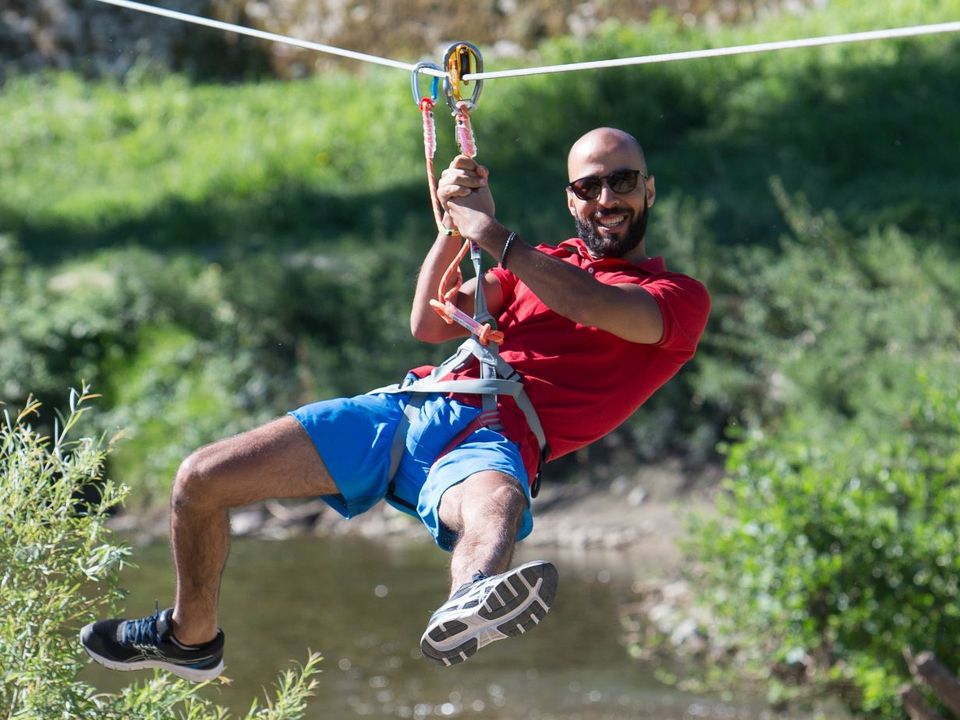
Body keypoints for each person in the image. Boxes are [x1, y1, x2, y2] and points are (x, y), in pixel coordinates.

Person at [80, 127, 711, 680]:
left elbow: (592, 306)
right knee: (200, 478)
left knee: (496, 504)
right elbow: (429, 322)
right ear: (570, 199)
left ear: (649, 190)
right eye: (590, 186)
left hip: (494, 439)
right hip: (409, 410)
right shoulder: (537, 265)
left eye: (622, 181)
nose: (607, 199)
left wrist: (488, 230)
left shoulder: (677, 298)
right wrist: (450, 225)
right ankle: (191, 638)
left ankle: (470, 599)